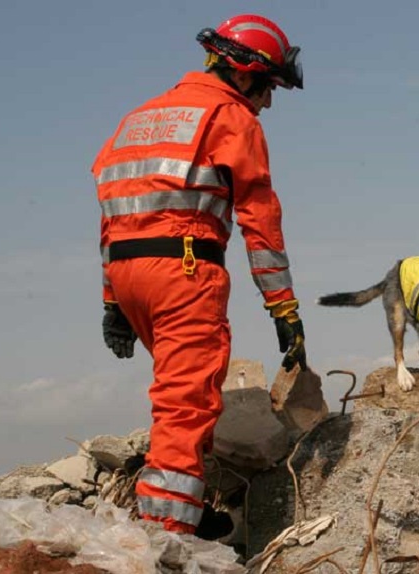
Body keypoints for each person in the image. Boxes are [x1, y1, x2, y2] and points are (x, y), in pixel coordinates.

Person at [91, 14, 308, 536]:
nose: (268, 101)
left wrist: (111, 302)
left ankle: (186, 508)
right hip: (183, 272)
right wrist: (284, 308)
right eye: (267, 85)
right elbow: (261, 223)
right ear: (242, 72)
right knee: (185, 404)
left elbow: (115, 215)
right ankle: (165, 538)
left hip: (127, 274)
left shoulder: (139, 117)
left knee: (181, 391)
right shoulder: (233, 118)